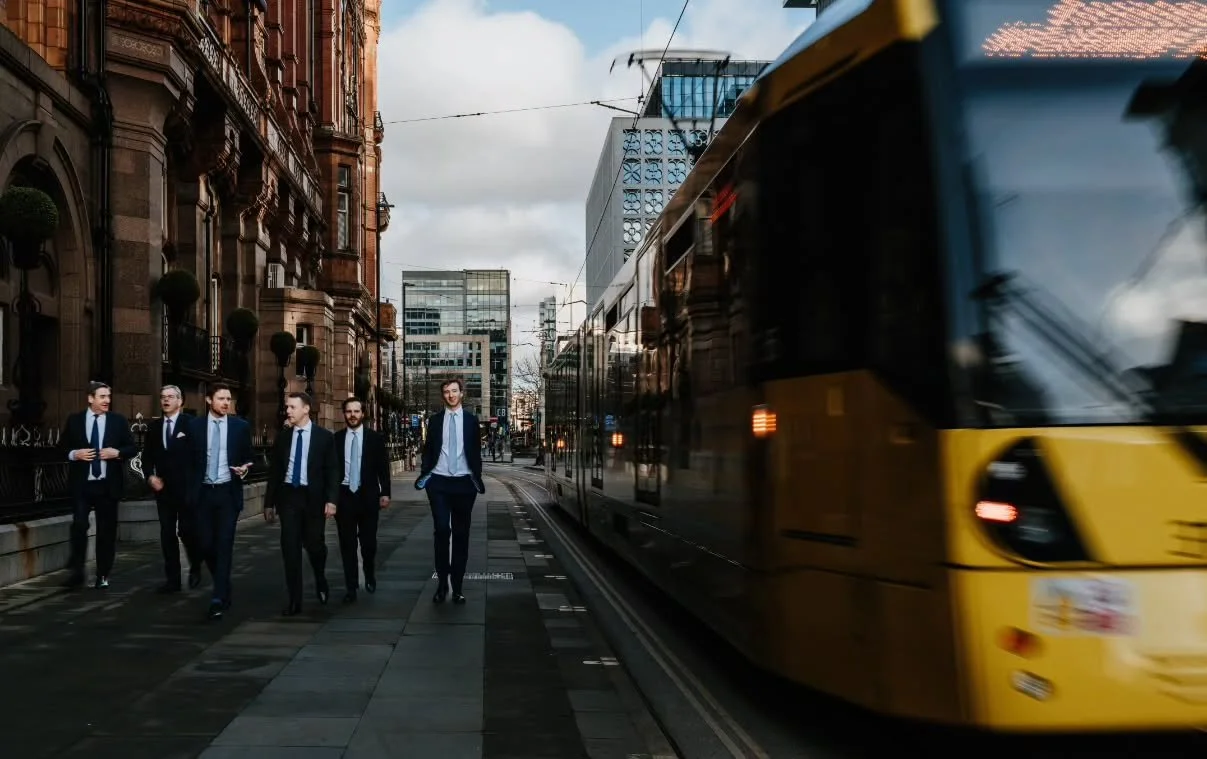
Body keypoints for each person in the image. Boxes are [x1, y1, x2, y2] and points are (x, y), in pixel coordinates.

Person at [264, 392, 338, 616]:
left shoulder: (324, 437)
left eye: (292, 407)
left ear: (306, 409)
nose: (288, 411)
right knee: (290, 548)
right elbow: (275, 472)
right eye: (287, 407)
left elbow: (333, 471)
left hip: (313, 498)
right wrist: (269, 503)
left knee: (314, 545)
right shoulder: (283, 437)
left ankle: (320, 577)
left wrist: (331, 500)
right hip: (289, 497)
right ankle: (294, 600)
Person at [59, 381, 139, 589]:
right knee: (79, 525)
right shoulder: (75, 421)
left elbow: (132, 447)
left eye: (108, 397)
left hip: (107, 485)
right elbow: (61, 448)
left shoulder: (118, 421)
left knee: (106, 531)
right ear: (90, 398)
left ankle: (103, 573)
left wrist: (118, 453)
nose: (107, 401)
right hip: (82, 485)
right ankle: (77, 571)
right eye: (102, 396)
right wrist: (74, 454)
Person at [187, 383, 255, 620]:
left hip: (227, 493)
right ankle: (223, 583)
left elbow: (249, 458)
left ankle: (217, 597)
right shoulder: (194, 427)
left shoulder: (240, 427)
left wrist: (245, 470)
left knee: (224, 544)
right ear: (208, 400)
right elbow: (188, 463)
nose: (226, 403)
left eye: (229, 399)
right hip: (204, 493)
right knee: (205, 545)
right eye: (221, 398)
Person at [415, 378, 484, 604]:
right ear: (443, 395)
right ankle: (442, 584)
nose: (451, 395)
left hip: (464, 483)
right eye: (446, 392)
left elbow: (475, 453)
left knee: (462, 534)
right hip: (440, 483)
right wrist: (428, 472)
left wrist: (476, 477)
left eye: (454, 391)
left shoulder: (472, 421)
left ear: (462, 393)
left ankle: (458, 587)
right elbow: (428, 450)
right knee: (442, 530)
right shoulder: (434, 421)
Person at [141, 384, 201, 592]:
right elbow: (146, 458)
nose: (165, 400)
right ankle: (172, 579)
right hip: (164, 490)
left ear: (180, 401)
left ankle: (195, 565)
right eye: (162, 397)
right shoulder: (154, 428)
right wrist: (150, 476)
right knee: (167, 533)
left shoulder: (191, 424)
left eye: (170, 397)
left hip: (186, 489)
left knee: (187, 530)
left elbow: (199, 457)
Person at [334, 397, 391, 603]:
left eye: (356, 411)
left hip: (368, 495)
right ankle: (351, 586)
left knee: (368, 543)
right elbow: (332, 471)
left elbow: (383, 468)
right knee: (347, 544)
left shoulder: (374, 438)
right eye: (349, 412)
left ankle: (369, 572)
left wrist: (385, 493)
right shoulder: (337, 439)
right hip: (344, 495)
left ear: (363, 414)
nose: (352, 415)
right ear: (344, 414)